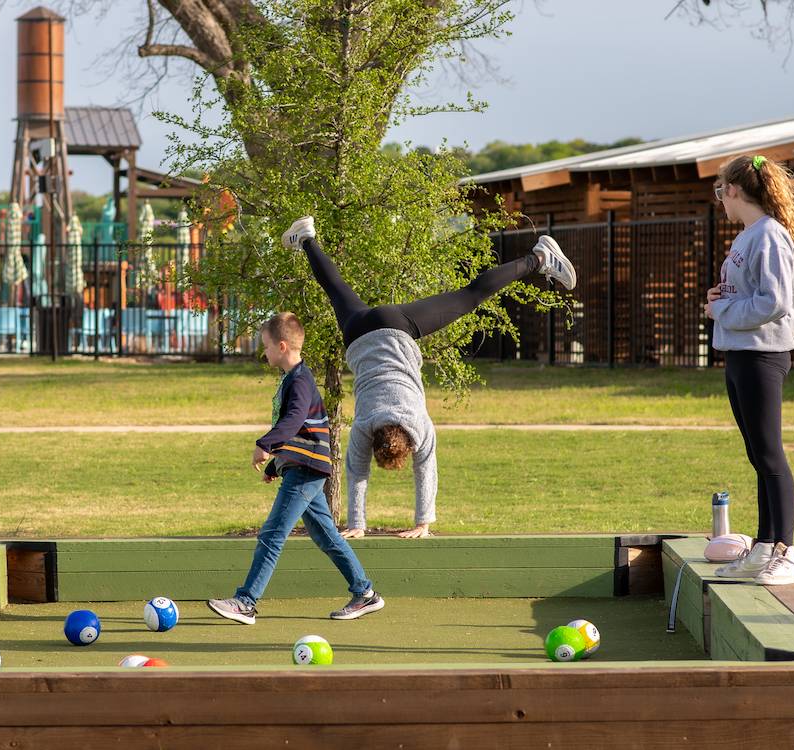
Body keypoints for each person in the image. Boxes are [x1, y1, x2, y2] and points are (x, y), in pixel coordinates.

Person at [280, 216, 576, 539]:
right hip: (361, 332)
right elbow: (358, 473)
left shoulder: (417, 426)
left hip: (396, 327)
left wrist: (418, 524)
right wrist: (359, 524)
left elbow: (420, 471)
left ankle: (541, 257)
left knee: (470, 296)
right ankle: (307, 238)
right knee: (335, 289)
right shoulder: (366, 425)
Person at [206, 312, 385, 624]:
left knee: (273, 533)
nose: (264, 352)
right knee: (327, 536)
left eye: (266, 346)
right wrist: (276, 464)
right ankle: (365, 593)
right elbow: (302, 432)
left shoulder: (300, 381)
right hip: (302, 467)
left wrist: (265, 444)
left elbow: (294, 419)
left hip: (306, 470)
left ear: (283, 346)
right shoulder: (294, 379)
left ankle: (246, 602)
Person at [704, 154, 794, 586]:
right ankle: (764, 547)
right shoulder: (748, 235)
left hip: (763, 355)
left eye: (719, 190)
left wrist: (723, 308)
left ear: (734, 190)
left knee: (770, 455)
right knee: (757, 455)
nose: (719, 200)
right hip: (740, 352)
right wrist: (721, 297)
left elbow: (775, 302)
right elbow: (750, 293)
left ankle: (786, 553)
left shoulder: (770, 236)